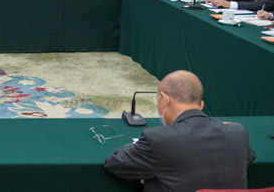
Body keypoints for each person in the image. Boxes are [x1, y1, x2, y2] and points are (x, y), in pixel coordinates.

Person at [104, 70, 254, 192]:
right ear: (201, 105)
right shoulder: (237, 132)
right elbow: (248, 157)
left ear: (163, 99)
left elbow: (114, 163)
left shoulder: (158, 139)